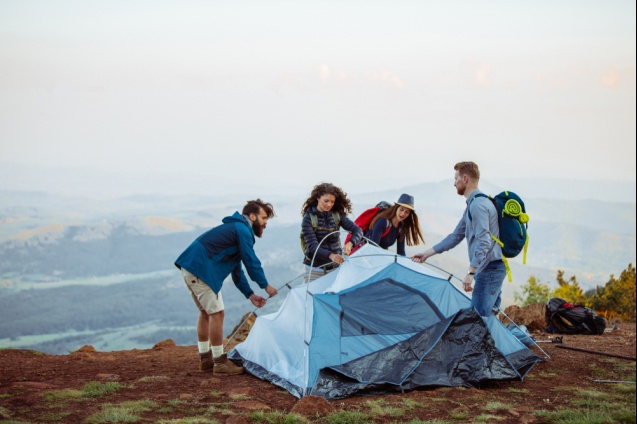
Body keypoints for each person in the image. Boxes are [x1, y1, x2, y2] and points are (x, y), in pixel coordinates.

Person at [174, 199, 278, 374]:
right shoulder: (242, 230)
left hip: (191, 266)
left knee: (206, 313)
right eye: (264, 217)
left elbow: (236, 268)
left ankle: (205, 359)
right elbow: (250, 261)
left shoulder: (236, 229)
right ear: (252, 216)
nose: (266, 222)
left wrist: (250, 294)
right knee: (217, 313)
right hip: (201, 269)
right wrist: (265, 285)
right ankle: (220, 363)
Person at [411, 162, 505, 317]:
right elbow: (455, 237)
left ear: (465, 179)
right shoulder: (473, 205)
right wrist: (427, 253)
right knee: (486, 321)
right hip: (490, 269)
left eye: (456, 179)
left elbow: (484, 241)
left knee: (477, 320)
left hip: (490, 270)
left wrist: (471, 271)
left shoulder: (478, 205)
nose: (454, 183)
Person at [301, 182, 363, 282]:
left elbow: (358, 230)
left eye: (332, 202)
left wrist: (350, 243)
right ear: (318, 198)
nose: (329, 204)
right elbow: (312, 246)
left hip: (336, 268)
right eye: (326, 201)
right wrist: (331, 255)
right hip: (315, 270)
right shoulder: (308, 218)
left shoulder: (336, 215)